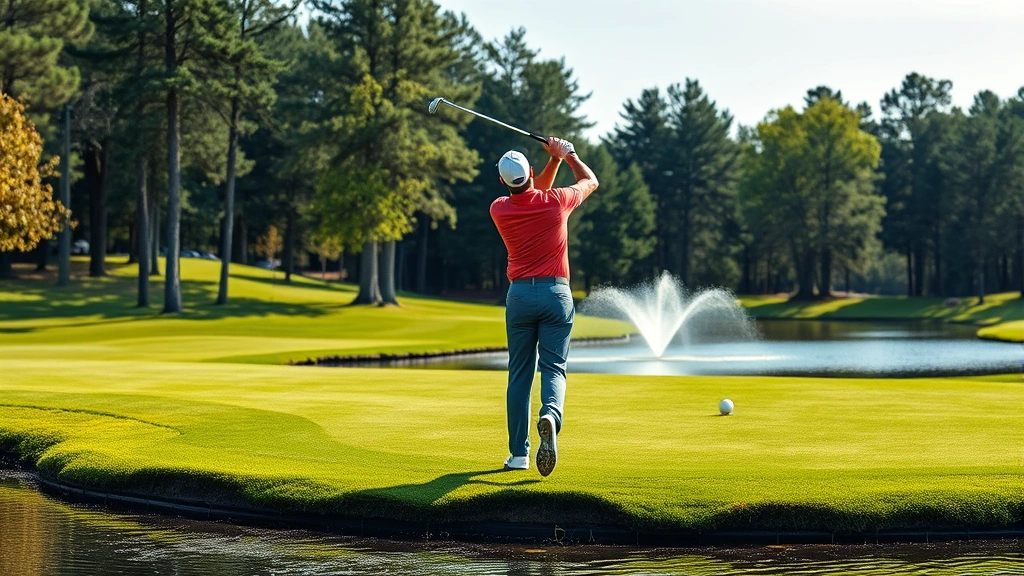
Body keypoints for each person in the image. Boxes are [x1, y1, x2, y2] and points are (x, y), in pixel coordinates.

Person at [489, 137, 599, 477]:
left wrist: (553, 161)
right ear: (532, 172)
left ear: (502, 183)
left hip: (520, 296)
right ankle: (550, 414)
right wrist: (567, 155)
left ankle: (518, 455)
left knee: (520, 374)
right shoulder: (557, 202)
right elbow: (591, 181)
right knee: (553, 367)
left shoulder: (499, 208)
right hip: (556, 294)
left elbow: (528, 196)